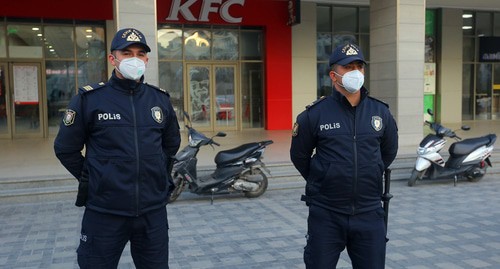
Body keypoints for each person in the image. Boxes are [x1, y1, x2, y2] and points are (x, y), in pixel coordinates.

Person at [54, 28, 181, 269]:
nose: (134, 58)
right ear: (113, 59)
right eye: (127, 53)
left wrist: (155, 176)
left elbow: (171, 144)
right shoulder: (89, 99)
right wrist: (96, 178)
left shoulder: (159, 100)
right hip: (104, 212)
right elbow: (65, 149)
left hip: (151, 213)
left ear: (146, 59)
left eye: (140, 53)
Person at [290, 43, 398, 269]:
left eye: (359, 66)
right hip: (327, 214)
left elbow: (388, 151)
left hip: (369, 213)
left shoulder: (380, 112)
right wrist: (323, 177)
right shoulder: (314, 115)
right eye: (348, 67)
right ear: (333, 75)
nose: (355, 72)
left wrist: (371, 170)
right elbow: (299, 156)